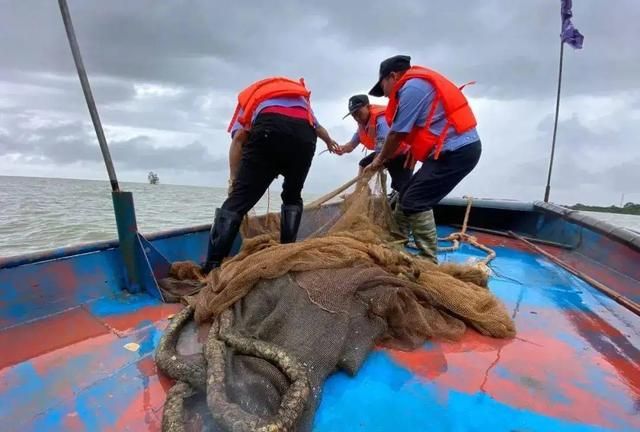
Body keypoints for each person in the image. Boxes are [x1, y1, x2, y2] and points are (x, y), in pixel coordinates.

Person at [202, 76, 339, 272]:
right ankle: (286, 254)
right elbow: (317, 128)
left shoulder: (252, 98)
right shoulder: (299, 99)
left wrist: (234, 179)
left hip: (269, 129)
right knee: (292, 196)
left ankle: (212, 266)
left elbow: (239, 139)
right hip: (305, 138)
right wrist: (329, 141)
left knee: (238, 201)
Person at [364, 55, 481, 264]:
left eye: (383, 87)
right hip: (443, 153)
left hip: (458, 152)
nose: (385, 95)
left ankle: (428, 258)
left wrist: (379, 159)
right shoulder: (415, 86)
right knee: (405, 193)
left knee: (415, 200)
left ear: (392, 76)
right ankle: (395, 243)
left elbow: (397, 134)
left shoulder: (412, 88)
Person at [336, 94, 412, 193]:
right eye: (353, 115)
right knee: (364, 164)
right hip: (384, 153)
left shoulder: (381, 121)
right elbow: (351, 145)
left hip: (400, 154)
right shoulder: (363, 125)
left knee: (402, 186)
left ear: (368, 107)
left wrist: (372, 166)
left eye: (358, 113)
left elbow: (383, 149)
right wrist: (341, 149)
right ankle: (358, 193)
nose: (357, 117)